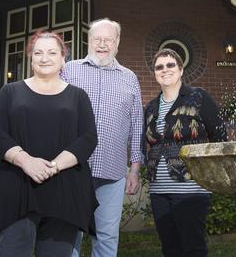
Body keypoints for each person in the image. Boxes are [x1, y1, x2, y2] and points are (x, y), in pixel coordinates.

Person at [0, 31, 98, 257]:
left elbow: (88, 138)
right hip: (17, 187)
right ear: (31, 58)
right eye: (38, 52)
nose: (44, 58)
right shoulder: (10, 92)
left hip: (65, 189)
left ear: (62, 59)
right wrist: (26, 162)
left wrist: (53, 166)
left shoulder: (78, 96)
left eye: (51, 52)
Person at [62, 18, 144, 257]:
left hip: (113, 172)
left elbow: (137, 126)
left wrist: (134, 170)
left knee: (107, 236)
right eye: (97, 39)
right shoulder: (69, 70)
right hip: (73, 170)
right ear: (89, 41)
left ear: (117, 43)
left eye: (108, 39)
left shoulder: (129, 78)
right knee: (69, 235)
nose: (102, 44)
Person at [143, 48, 227, 257]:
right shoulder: (151, 107)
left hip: (192, 188)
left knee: (193, 248)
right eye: (159, 67)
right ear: (154, 73)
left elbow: (220, 137)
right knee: (170, 248)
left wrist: (213, 172)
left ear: (181, 70)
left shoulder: (198, 97)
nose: (165, 70)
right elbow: (149, 144)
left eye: (171, 65)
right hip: (159, 191)